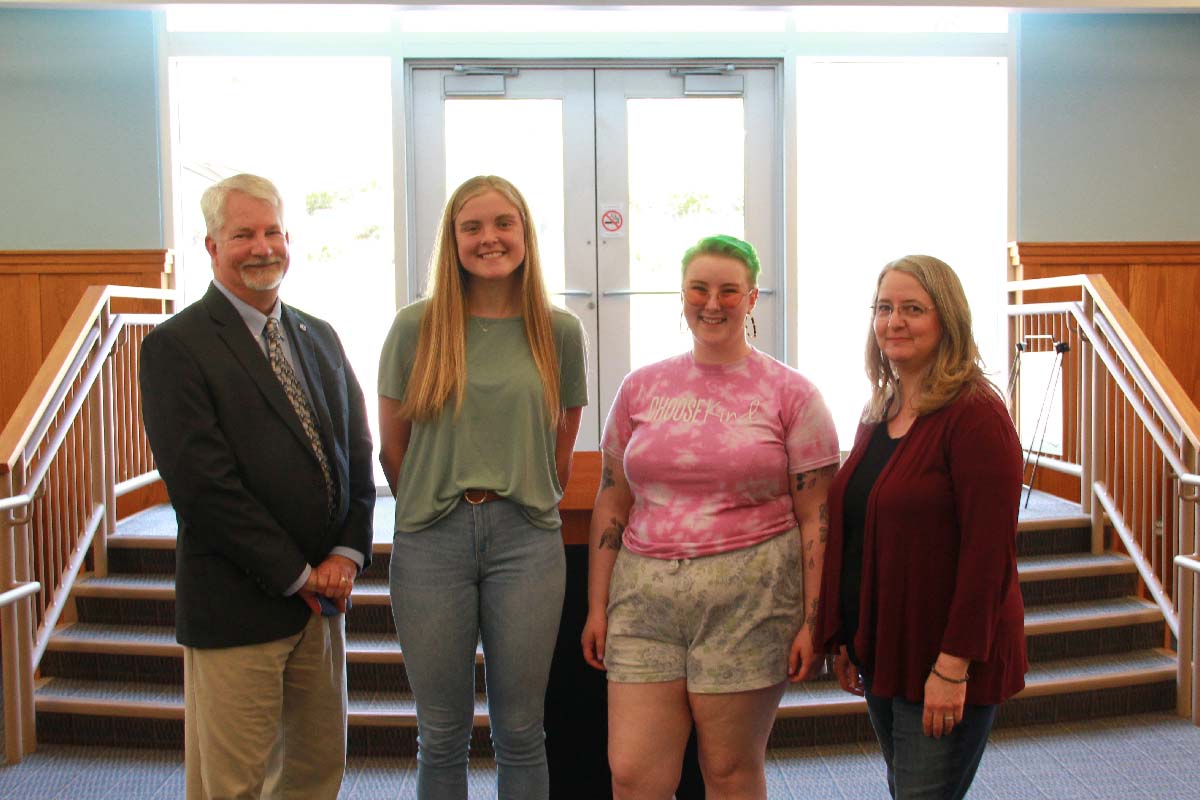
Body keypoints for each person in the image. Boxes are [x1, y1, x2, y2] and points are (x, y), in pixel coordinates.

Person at [140, 173, 376, 800]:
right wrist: (298, 575)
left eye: (272, 231)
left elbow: (356, 454)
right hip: (238, 603)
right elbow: (202, 488)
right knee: (233, 785)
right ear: (212, 246)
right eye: (242, 233)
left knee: (314, 773)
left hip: (324, 605)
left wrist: (345, 556)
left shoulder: (318, 335)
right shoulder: (176, 346)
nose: (261, 246)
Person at [581, 234, 840, 799]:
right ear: (682, 295)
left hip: (749, 601)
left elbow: (816, 515)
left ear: (751, 300)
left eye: (729, 291)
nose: (712, 302)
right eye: (699, 289)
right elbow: (612, 498)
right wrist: (597, 606)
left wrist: (813, 620)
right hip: (643, 602)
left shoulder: (792, 395)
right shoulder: (639, 388)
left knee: (727, 770)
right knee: (632, 772)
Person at [377, 175, 588, 799]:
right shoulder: (415, 328)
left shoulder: (560, 330)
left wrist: (523, 489)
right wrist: (431, 494)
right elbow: (394, 446)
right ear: (453, 239)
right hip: (431, 539)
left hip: (525, 540)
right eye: (472, 227)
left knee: (521, 731)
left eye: (503, 224)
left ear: (525, 234)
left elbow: (563, 437)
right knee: (441, 734)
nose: (489, 238)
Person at [816, 255, 1027, 800]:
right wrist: (848, 636)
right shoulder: (880, 410)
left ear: (947, 320)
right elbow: (864, 530)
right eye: (884, 308)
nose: (894, 321)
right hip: (885, 650)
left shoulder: (976, 414)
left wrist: (954, 667)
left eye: (913, 308)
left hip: (943, 660)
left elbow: (989, 557)